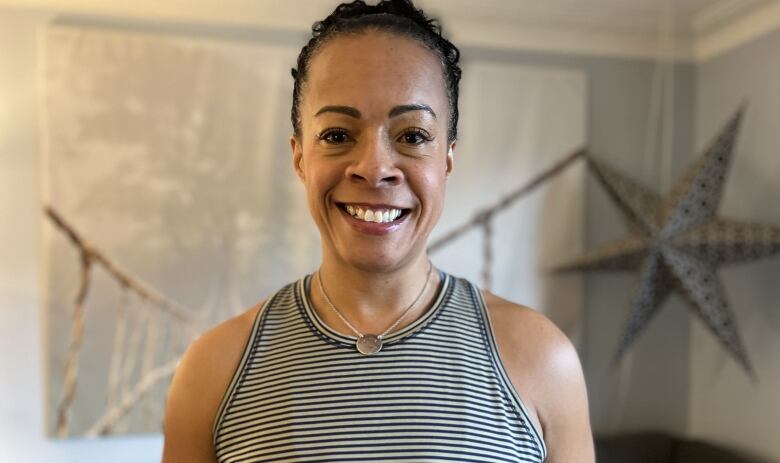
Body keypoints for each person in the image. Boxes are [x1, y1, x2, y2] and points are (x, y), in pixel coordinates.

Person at [162, 0, 594, 461]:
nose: (374, 168)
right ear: (300, 158)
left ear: (446, 159)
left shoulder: (543, 359)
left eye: (411, 136)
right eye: (337, 135)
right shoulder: (213, 369)